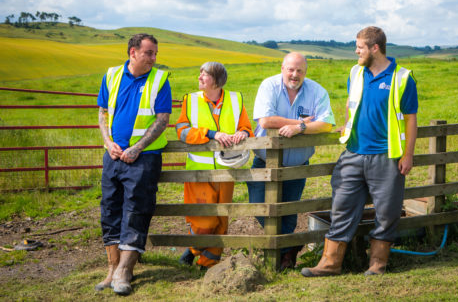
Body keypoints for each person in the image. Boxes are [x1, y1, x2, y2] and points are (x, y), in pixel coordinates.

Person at [301, 26, 418, 277]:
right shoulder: (355, 72)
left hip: (387, 156)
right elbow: (350, 102)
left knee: (387, 211)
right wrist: (347, 123)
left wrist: (408, 155)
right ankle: (330, 264)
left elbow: (410, 119)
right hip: (353, 153)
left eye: (360, 47)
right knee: (341, 206)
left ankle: (377, 265)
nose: (356, 51)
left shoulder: (403, 77)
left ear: (375, 48)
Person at [96, 33, 172, 295]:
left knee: (137, 210)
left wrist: (137, 147)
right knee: (110, 209)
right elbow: (103, 112)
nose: (153, 58)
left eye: (155, 54)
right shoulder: (112, 76)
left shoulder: (160, 80)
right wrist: (108, 143)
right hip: (114, 157)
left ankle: (125, 272)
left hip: (144, 158)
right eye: (149, 53)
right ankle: (112, 269)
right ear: (133, 52)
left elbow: (163, 119)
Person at [247, 52, 335, 270]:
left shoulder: (316, 91)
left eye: (300, 70)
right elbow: (266, 120)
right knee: (258, 206)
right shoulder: (269, 86)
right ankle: (290, 247)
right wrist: (301, 121)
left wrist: (300, 128)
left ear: (305, 71)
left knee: (288, 210)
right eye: (291, 69)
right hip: (264, 161)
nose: (295, 74)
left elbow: (326, 124)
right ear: (282, 68)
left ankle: (281, 259)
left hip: (297, 164)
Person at [175, 62, 254, 269]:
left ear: (217, 81)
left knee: (220, 221)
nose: (200, 77)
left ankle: (207, 265)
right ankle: (193, 249)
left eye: (205, 74)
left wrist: (243, 133)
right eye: (200, 73)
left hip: (227, 170)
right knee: (204, 221)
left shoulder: (236, 100)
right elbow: (182, 131)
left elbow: (246, 127)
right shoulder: (190, 100)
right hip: (198, 172)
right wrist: (211, 134)